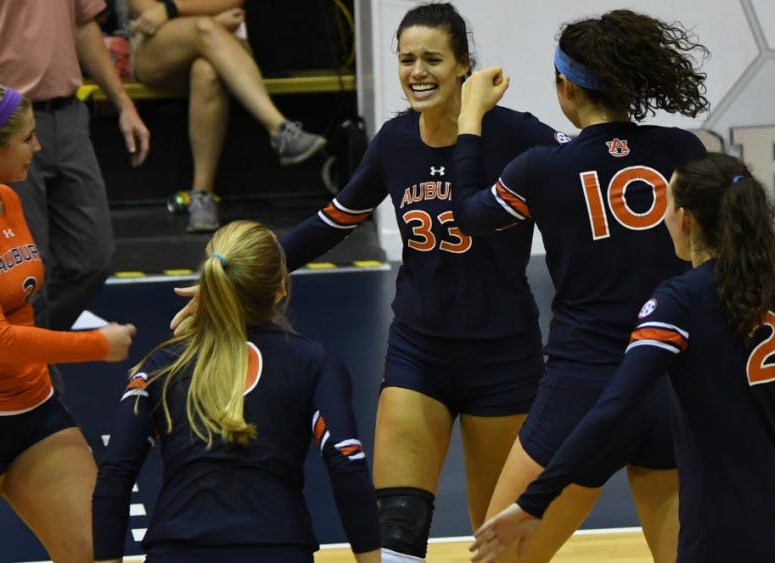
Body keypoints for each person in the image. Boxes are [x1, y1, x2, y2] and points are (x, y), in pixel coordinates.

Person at [169, 3, 567, 561]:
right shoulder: (395, 141)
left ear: (463, 67)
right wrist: (230, 281)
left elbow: (583, 172)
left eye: (433, 59)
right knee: (396, 533)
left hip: (504, 361)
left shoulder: (515, 133)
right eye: (407, 59)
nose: (417, 72)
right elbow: (330, 223)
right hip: (419, 354)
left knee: (499, 544)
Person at [469, 152, 775, 563]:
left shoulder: (679, 302)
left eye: (665, 207)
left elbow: (615, 406)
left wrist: (535, 502)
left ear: (685, 219)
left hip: (718, 539)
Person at [450, 11, 711, 561]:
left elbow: (469, 214)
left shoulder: (542, 169)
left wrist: (470, 115)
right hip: (673, 384)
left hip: (583, 392)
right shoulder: (683, 150)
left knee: (498, 556)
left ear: (566, 88)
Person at [92, 220, 381, 563]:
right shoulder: (316, 363)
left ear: (209, 283)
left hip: (179, 551)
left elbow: (115, 474)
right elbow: (347, 464)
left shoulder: (161, 366)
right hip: (277, 550)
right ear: (281, 289)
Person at [0, 83, 137, 562]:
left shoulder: (9, 198)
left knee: (95, 549)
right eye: (27, 139)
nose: (38, 147)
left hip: (34, 411)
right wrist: (95, 346)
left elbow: (21, 303)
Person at [0, 0, 150, 336]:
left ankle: (16, 353)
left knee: (93, 259)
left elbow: (83, 24)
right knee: (26, 274)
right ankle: (31, 370)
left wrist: (123, 103)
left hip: (67, 114)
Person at [127, 0, 328, 232]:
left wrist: (173, 10)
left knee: (207, 71)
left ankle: (202, 196)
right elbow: (145, 12)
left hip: (224, 43)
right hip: (160, 48)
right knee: (204, 29)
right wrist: (204, 17)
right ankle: (279, 128)